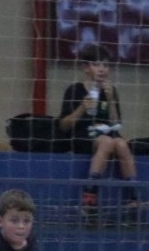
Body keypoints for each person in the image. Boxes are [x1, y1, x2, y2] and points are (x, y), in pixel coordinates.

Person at [58, 44, 139, 223]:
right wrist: (81, 108)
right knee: (107, 142)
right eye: (96, 64)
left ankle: (133, 199)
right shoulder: (75, 90)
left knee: (121, 144)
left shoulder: (110, 91)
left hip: (107, 134)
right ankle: (90, 198)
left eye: (105, 65)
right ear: (86, 68)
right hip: (82, 135)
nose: (102, 69)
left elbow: (116, 124)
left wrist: (110, 100)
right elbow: (63, 125)